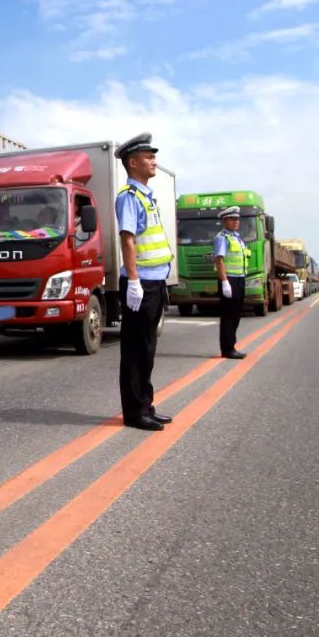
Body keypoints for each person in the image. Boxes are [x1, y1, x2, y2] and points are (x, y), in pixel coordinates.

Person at [114, 133, 174, 431]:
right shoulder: (128, 197)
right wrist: (134, 281)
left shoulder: (147, 197)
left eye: (153, 156)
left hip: (155, 283)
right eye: (148, 157)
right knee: (136, 351)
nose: (154, 161)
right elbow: (128, 240)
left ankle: (146, 405)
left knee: (147, 350)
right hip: (142, 286)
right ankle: (135, 414)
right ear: (133, 162)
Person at [214, 206, 248, 359]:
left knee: (236, 315)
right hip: (230, 280)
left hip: (239, 279)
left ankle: (231, 345)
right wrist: (224, 282)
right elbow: (219, 260)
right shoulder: (222, 238)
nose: (236, 222)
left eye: (237, 219)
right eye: (233, 219)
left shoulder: (237, 238)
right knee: (228, 316)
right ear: (225, 221)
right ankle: (227, 349)